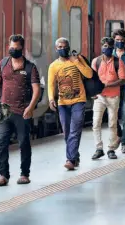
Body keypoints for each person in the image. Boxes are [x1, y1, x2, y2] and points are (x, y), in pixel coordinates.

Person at [0, 35, 41, 186]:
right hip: (4, 111)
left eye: (16, 48)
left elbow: (36, 89)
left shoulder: (30, 67)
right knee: (1, 142)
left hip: (22, 111)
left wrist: (31, 107)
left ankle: (24, 173)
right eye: (11, 48)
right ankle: (3, 175)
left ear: (22, 48)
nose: (13, 50)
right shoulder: (3, 63)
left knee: (24, 142)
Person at [48, 37, 93, 170]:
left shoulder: (77, 60)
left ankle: (70, 159)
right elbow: (51, 84)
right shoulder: (53, 66)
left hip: (79, 100)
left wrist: (77, 62)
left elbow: (89, 74)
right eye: (59, 47)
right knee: (67, 132)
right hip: (63, 103)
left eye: (64, 47)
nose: (62, 49)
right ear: (56, 49)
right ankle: (75, 155)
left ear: (68, 47)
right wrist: (51, 99)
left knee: (75, 129)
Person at [91, 37, 125, 160]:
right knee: (96, 122)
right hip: (99, 97)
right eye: (105, 46)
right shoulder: (96, 62)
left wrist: (108, 85)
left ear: (113, 48)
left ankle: (111, 149)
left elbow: (122, 79)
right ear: (101, 47)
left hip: (113, 97)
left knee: (112, 123)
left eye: (110, 47)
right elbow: (92, 79)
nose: (107, 48)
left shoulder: (118, 62)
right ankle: (98, 148)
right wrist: (93, 92)